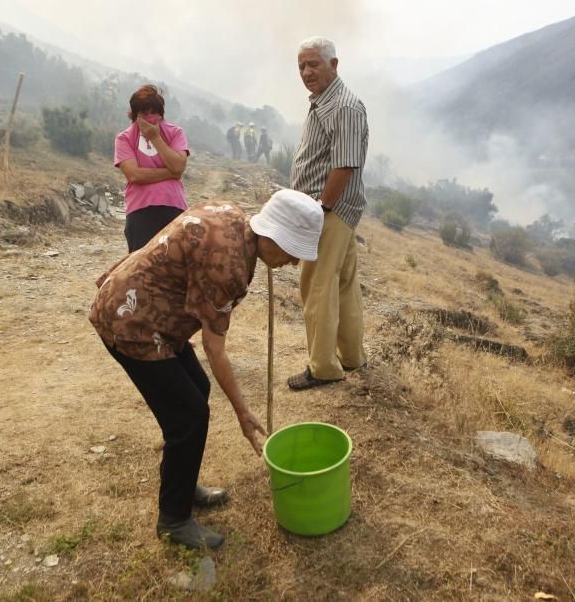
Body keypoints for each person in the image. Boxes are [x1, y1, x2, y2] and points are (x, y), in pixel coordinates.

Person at [89, 189, 324, 549]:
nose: (294, 263)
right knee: (188, 417)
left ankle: (183, 484)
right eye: (294, 252)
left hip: (146, 309)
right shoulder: (229, 269)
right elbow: (217, 350)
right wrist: (244, 413)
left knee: (196, 390)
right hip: (130, 322)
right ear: (275, 236)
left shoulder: (233, 215)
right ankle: (173, 519)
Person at [286, 36, 368, 391]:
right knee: (344, 284)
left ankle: (323, 367)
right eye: (301, 65)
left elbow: (345, 165)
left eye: (313, 64)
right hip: (333, 210)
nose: (306, 72)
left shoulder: (344, 107)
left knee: (316, 285)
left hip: (330, 211)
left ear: (333, 65)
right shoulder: (325, 102)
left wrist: (319, 209)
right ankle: (351, 358)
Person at [113, 85, 190, 252]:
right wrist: (171, 173)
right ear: (135, 116)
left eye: (154, 113)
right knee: (142, 269)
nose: (150, 118)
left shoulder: (175, 132)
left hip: (173, 205)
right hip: (140, 209)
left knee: (176, 266)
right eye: (144, 113)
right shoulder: (124, 138)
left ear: (161, 114)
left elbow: (178, 166)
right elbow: (134, 175)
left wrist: (155, 137)